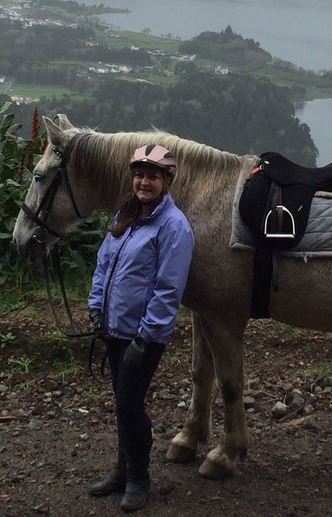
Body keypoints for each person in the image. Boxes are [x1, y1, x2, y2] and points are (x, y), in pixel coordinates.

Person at [87, 144, 195, 512]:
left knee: (130, 405)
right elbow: (104, 264)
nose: (143, 181)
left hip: (143, 335)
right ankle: (121, 471)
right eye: (139, 174)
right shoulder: (127, 214)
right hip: (114, 327)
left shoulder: (174, 226)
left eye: (152, 176)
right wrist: (95, 306)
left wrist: (145, 336)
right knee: (121, 404)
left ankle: (138, 477)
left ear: (167, 181)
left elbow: (169, 290)